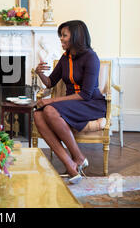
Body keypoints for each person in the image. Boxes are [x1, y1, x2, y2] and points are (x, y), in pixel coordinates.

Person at [34, 20, 106, 184]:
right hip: (72, 104)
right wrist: (39, 73)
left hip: (91, 103)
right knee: (38, 116)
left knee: (50, 110)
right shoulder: (65, 57)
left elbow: (86, 94)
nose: (61, 39)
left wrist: (51, 101)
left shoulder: (91, 57)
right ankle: (70, 165)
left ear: (76, 37)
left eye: (64, 35)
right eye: (61, 36)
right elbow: (50, 82)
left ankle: (79, 158)